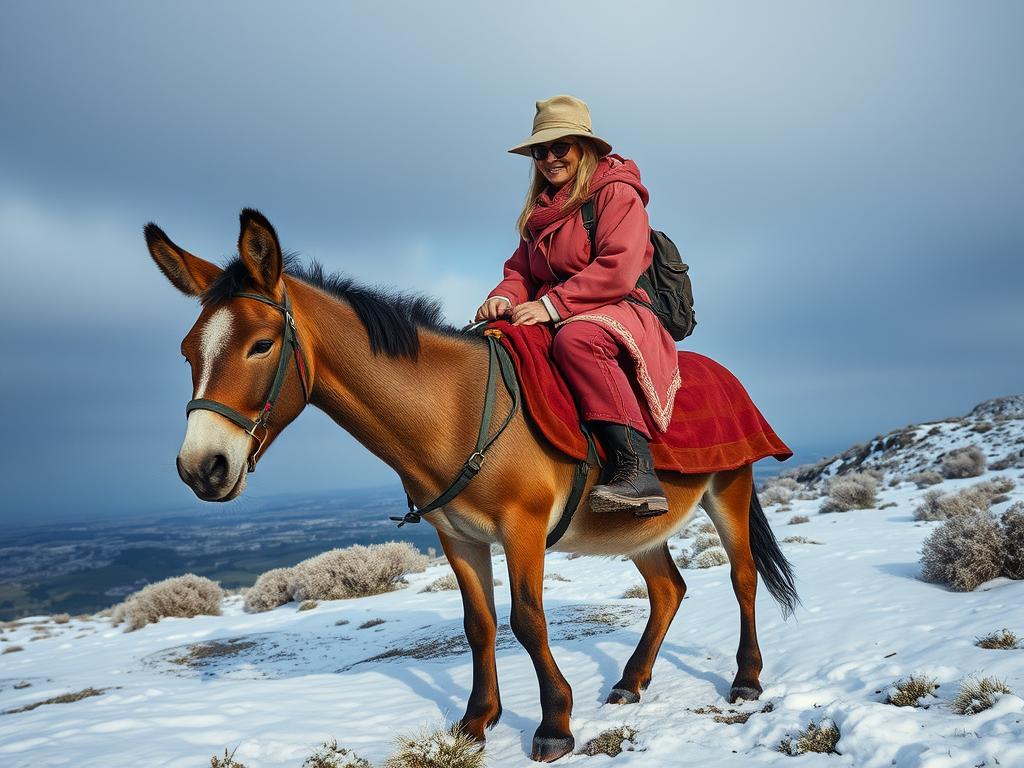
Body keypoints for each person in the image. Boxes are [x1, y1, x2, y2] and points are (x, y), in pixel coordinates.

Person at [475, 94, 682, 516]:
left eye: (559, 147)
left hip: (617, 305)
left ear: (584, 148)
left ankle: (637, 468)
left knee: (578, 339)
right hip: (560, 305)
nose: (549, 158)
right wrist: (503, 296)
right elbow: (521, 270)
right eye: (539, 151)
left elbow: (619, 268)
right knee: (499, 340)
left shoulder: (617, 193)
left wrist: (551, 306)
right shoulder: (541, 210)